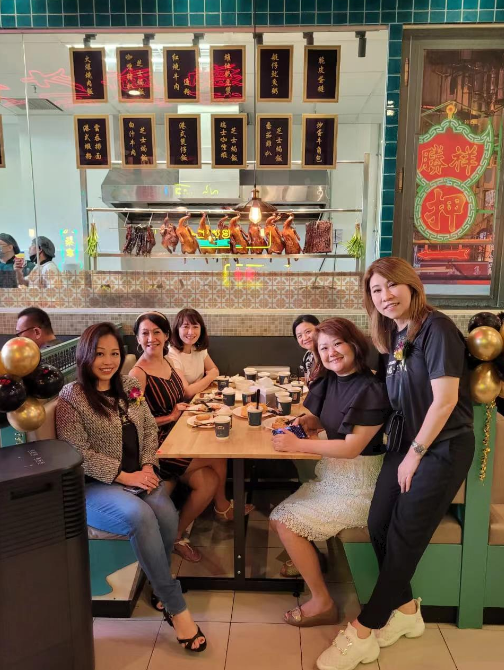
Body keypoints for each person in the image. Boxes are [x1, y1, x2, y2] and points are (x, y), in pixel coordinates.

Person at [315, 257, 474, 670]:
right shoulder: (394, 336)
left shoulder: (436, 329)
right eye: (375, 291)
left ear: (410, 285)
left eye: (391, 286)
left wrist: (415, 455)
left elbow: (445, 401)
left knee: (404, 536)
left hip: (441, 447)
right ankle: (405, 612)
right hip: (404, 444)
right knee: (379, 524)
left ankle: (364, 628)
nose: (384, 296)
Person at [56, 322, 207, 653]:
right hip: (95, 485)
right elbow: (76, 451)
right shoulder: (72, 396)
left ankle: (158, 584)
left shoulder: (128, 385)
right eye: (99, 354)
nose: (108, 361)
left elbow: (149, 428)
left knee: (167, 513)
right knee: (141, 516)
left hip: (140, 475)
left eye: (114, 353)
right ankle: (175, 606)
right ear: (85, 355)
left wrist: (149, 465)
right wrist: (124, 476)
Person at [270, 318, 390, 628]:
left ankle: (323, 603)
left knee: (284, 521)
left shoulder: (372, 389)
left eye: (337, 344)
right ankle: (313, 562)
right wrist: (311, 423)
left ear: (354, 344)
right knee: (279, 517)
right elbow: (333, 419)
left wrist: (298, 444)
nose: (331, 352)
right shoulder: (333, 380)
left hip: (360, 486)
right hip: (333, 477)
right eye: (323, 348)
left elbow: (352, 446)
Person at [130, 311, 253, 567]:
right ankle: (222, 508)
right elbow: (133, 423)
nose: (151, 338)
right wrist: (170, 416)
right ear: (137, 338)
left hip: (178, 433)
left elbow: (181, 397)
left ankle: (177, 534)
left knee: (209, 480)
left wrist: (182, 412)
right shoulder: (137, 374)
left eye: (157, 332)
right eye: (145, 333)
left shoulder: (167, 362)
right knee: (218, 455)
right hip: (158, 447)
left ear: (166, 335)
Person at [168, 308, 219, 398]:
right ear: (177, 329)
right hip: (183, 403)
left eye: (195, 327)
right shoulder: (171, 354)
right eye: (186, 327)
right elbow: (187, 392)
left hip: (199, 398)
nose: (191, 332)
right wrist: (209, 378)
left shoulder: (198, 348)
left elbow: (214, 370)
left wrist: (196, 385)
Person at [292, 314, 320, 385]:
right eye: (299, 336)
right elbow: (307, 385)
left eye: (308, 332)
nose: (304, 338)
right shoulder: (308, 356)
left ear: (319, 329)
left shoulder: (329, 356)